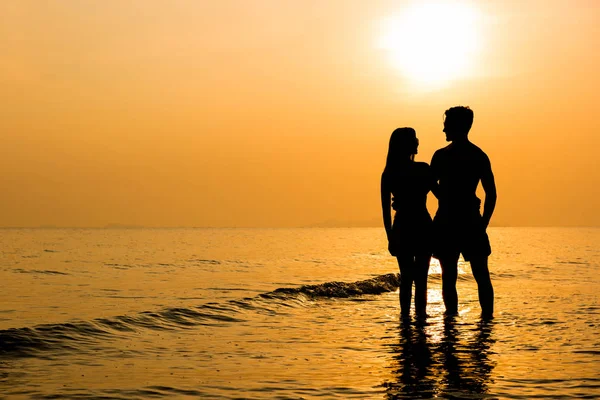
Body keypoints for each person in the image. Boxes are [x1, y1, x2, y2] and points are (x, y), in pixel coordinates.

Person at [430, 106, 496, 318]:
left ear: (459, 126)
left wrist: (482, 224)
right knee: (469, 275)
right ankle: (478, 323)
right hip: (461, 220)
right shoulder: (476, 155)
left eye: (447, 125)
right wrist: (481, 223)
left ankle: (472, 323)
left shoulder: (453, 156)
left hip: (457, 221)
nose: (443, 130)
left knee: (459, 275)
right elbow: (491, 195)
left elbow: (491, 194)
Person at [381, 127, 435, 319]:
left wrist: (390, 236)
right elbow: (441, 195)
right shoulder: (422, 169)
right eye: (413, 139)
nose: (417, 141)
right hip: (420, 225)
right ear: (405, 145)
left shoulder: (390, 173)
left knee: (407, 278)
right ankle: (419, 318)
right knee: (420, 279)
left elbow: (386, 211)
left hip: (404, 226)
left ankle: (406, 320)